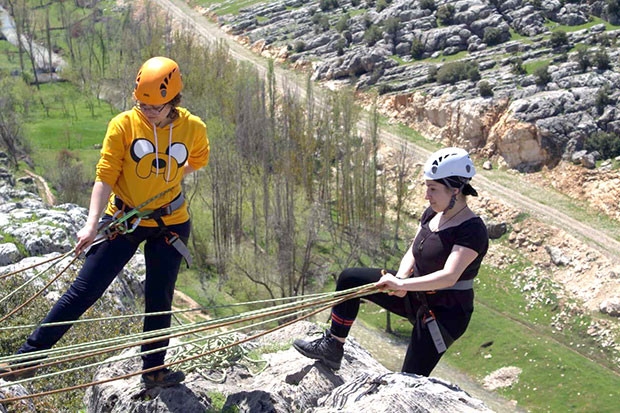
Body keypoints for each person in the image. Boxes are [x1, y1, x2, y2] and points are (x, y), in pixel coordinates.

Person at [0, 56, 210, 388]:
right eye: (142, 104)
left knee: (159, 300)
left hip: (170, 223)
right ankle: (26, 360)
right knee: (83, 291)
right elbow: (105, 176)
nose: (148, 111)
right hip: (123, 219)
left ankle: (153, 371)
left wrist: (165, 179)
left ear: (174, 100)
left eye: (156, 106)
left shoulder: (193, 128)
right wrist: (91, 223)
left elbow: (197, 160)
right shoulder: (124, 124)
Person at [293, 147, 488, 376]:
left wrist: (403, 286)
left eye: (433, 189)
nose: (427, 195)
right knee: (350, 279)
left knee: (409, 377)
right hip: (415, 293)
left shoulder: (472, 230)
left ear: (455, 190)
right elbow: (414, 251)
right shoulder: (432, 214)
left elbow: (449, 276)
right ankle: (333, 346)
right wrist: (400, 278)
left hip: (446, 312)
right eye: (427, 187)